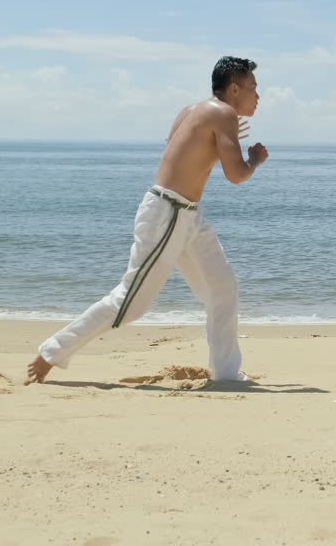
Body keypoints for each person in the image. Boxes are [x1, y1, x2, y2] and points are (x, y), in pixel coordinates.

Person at [25, 57, 269, 385]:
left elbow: (182, 152)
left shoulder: (193, 111)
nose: (258, 95)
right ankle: (51, 352)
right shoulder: (223, 113)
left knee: (223, 288)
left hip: (185, 215)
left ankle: (226, 373)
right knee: (131, 302)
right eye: (253, 87)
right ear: (235, 89)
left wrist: (222, 140)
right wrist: (253, 159)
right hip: (169, 214)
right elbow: (236, 175)